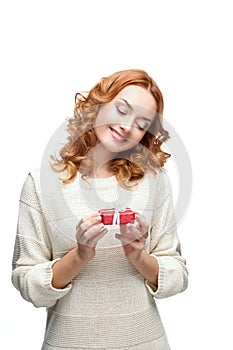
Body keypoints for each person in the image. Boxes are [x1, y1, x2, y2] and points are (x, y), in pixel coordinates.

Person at [12, 69, 188, 350]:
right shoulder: (40, 185)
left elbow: (178, 275)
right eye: (121, 109)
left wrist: (138, 255)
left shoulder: (153, 182)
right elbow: (27, 283)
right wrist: (81, 254)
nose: (128, 126)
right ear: (98, 105)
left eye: (142, 123)